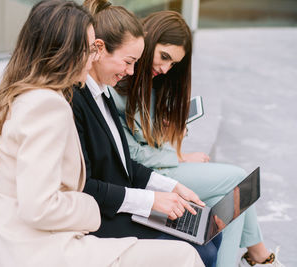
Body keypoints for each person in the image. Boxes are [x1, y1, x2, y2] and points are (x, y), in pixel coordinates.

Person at [0, 1, 203, 266]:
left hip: (33, 242)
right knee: (185, 255)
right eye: (89, 48)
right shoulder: (48, 105)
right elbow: (39, 207)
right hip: (45, 249)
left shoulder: (28, 96)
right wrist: (90, 208)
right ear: (66, 51)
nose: (94, 56)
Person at [109, 10, 284, 267]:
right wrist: (177, 155)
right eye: (164, 57)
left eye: (173, 64)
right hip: (145, 177)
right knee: (237, 180)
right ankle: (259, 256)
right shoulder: (118, 82)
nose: (166, 68)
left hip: (159, 167)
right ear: (149, 39)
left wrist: (169, 136)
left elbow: (149, 139)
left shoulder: (152, 82)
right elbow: (129, 152)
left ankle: (257, 257)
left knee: (223, 204)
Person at [72, 1, 219, 266]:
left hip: (121, 203)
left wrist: (172, 187)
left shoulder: (102, 93)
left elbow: (125, 162)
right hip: (103, 216)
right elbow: (85, 185)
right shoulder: (78, 100)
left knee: (210, 233)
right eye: (128, 62)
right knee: (204, 249)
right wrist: (151, 200)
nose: (131, 72)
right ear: (99, 49)